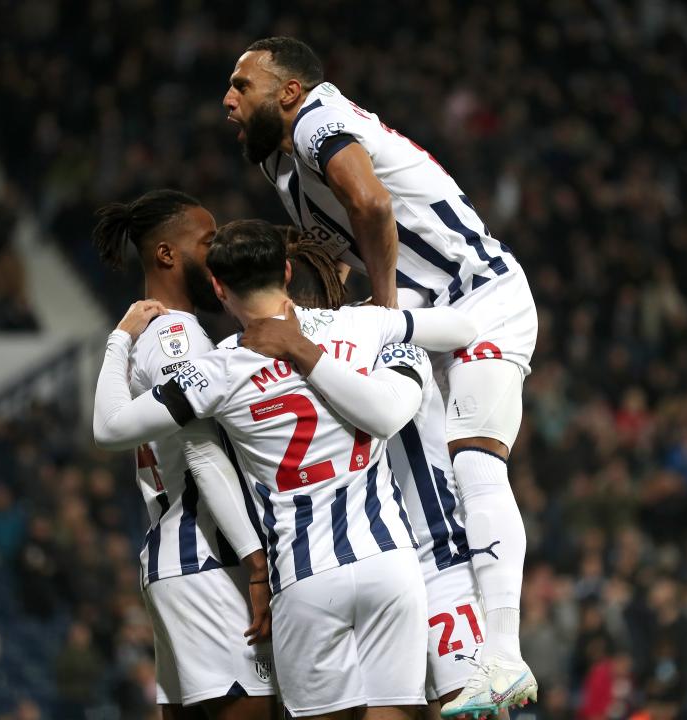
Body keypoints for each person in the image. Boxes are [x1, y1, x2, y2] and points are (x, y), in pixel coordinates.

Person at [223, 37, 539, 715]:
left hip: (478, 296)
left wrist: (384, 314)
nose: (227, 100)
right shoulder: (282, 169)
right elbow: (338, 254)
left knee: (477, 465)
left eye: (241, 87)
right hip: (431, 317)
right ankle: (480, 651)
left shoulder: (316, 121)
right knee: (444, 470)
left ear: (287, 91)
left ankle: (504, 657)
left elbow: (370, 205)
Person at [93, 219, 478, 719]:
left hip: (304, 575)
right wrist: (379, 321)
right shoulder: (357, 326)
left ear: (218, 286)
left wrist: (120, 339)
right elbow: (463, 328)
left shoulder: (219, 368)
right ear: (287, 270)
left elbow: (110, 426)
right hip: (390, 562)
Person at [260, 233, 505, 720]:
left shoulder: (367, 335)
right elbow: (462, 324)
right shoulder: (383, 333)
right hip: (412, 561)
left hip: (398, 561)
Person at [91, 189, 276, 719]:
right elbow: (201, 455)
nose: (218, 252)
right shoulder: (178, 335)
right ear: (167, 254)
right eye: (208, 240)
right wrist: (257, 564)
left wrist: (117, 341)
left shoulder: (144, 336)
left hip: (174, 560)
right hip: (206, 558)